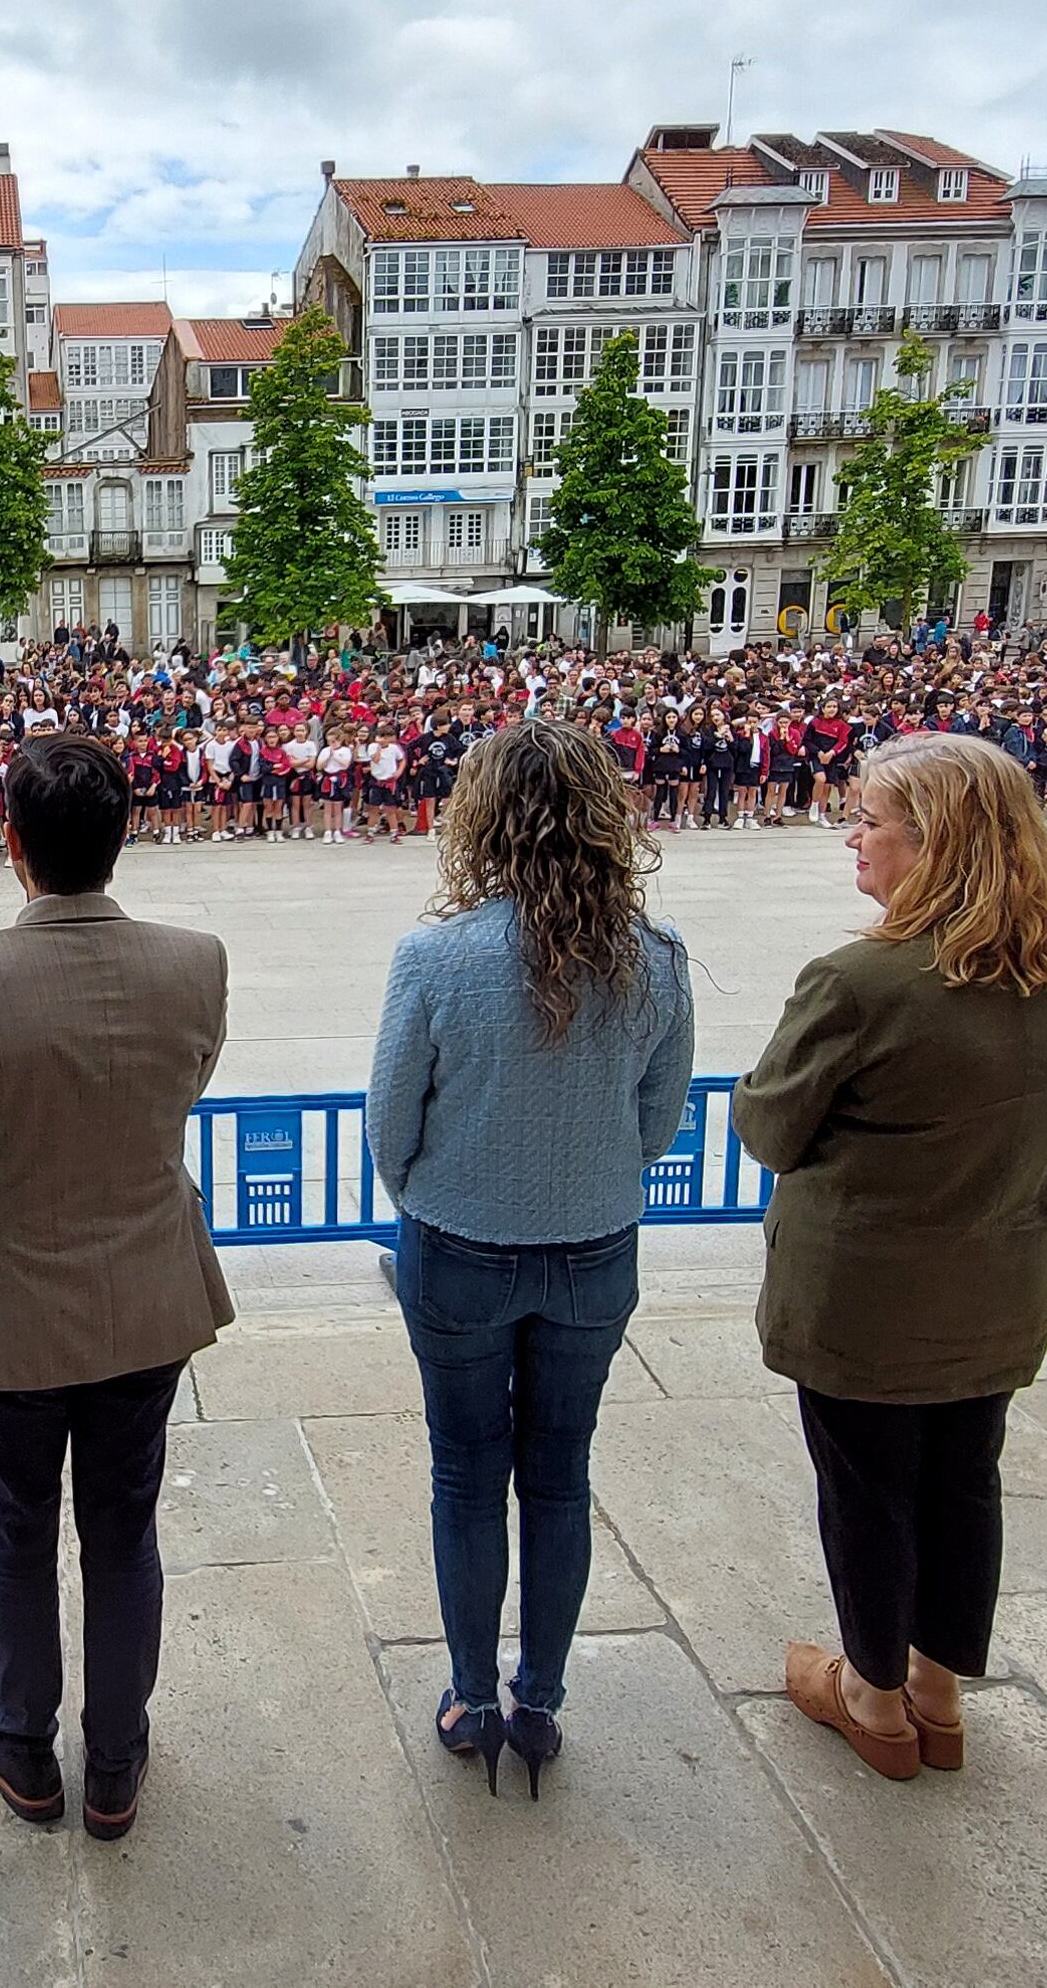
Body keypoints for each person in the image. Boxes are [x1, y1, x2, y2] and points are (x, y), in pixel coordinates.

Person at [732, 734, 1047, 1783]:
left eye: (871, 820)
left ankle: (873, 1697)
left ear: (930, 843)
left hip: (869, 1294)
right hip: (998, 1281)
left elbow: (767, 1127)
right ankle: (939, 1691)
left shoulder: (862, 978)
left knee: (867, 1489)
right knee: (962, 1482)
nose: (853, 834)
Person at [0, 733, 230, 1844]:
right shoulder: (196, 963)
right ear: (121, 837)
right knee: (125, 1531)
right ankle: (117, 1763)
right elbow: (170, 1101)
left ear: (13, 846)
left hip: (16, 1314)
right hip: (146, 1297)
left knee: (18, 1530)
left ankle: (27, 1746)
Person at [365, 721, 691, 1797]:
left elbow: (389, 1123)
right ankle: (539, 1699)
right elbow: (657, 1124)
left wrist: (428, 1194)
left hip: (460, 1245)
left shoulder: (435, 954)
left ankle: (469, 1690)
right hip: (594, 1249)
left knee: (466, 1470)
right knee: (559, 1474)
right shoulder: (656, 957)